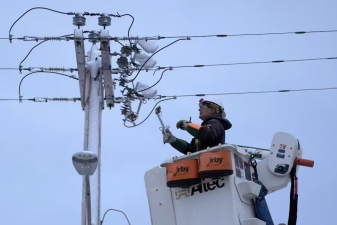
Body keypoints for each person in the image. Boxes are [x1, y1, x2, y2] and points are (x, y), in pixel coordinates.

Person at [163, 97, 232, 154]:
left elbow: (209, 133)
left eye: (202, 107)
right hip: (204, 167)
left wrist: (188, 126)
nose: (199, 109)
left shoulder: (216, 122)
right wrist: (173, 140)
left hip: (213, 167)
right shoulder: (203, 131)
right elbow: (190, 150)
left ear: (213, 110)